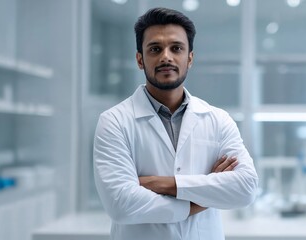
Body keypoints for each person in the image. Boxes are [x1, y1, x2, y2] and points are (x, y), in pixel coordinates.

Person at [93, 7, 258, 240]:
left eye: (176, 48)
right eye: (155, 49)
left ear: (189, 58)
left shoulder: (217, 120)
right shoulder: (114, 122)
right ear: (140, 59)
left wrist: (165, 184)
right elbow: (121, 203)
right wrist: (200, 200)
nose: (166, 57)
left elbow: (246, 188)